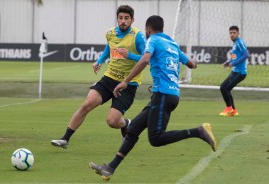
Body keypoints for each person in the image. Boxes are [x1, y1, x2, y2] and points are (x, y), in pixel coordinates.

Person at [89, 15, 217, 181]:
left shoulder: (153, 40)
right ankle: (110, 168)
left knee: (156, 139)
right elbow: (190, 63)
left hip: (163, 95)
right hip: (168, 95)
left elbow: (145, 59)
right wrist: (194, 63)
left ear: (148, 29)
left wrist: (125, 81)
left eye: (146, 30)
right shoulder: (172, 43)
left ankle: (198, 131)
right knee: (133, 128)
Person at [51, 5, 146, 149]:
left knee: (112, 121)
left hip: (128, 84)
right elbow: (109, 48)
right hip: (109, 79)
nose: (123, 21)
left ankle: (126, 124)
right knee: (87, 104)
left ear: (132, 20)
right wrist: (99, 61)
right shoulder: (110, 33)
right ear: (117, 19)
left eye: (127, 18)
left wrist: (130, 55)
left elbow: (147, 58)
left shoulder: (138, 36)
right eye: (120, 18)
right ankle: (65, 139)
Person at [219, 25, 250, 116]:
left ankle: (229, 109)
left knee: (224, 88)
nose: (232, 34)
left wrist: (234, 63)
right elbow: (235, 56)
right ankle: (233, 111)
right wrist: (228, 62)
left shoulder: (239, 42)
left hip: (240, 72)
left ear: (238, 33)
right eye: (230, 33)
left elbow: (246, 55)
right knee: (225, 88)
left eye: (234, 33)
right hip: (235, 71)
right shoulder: (235, 43)